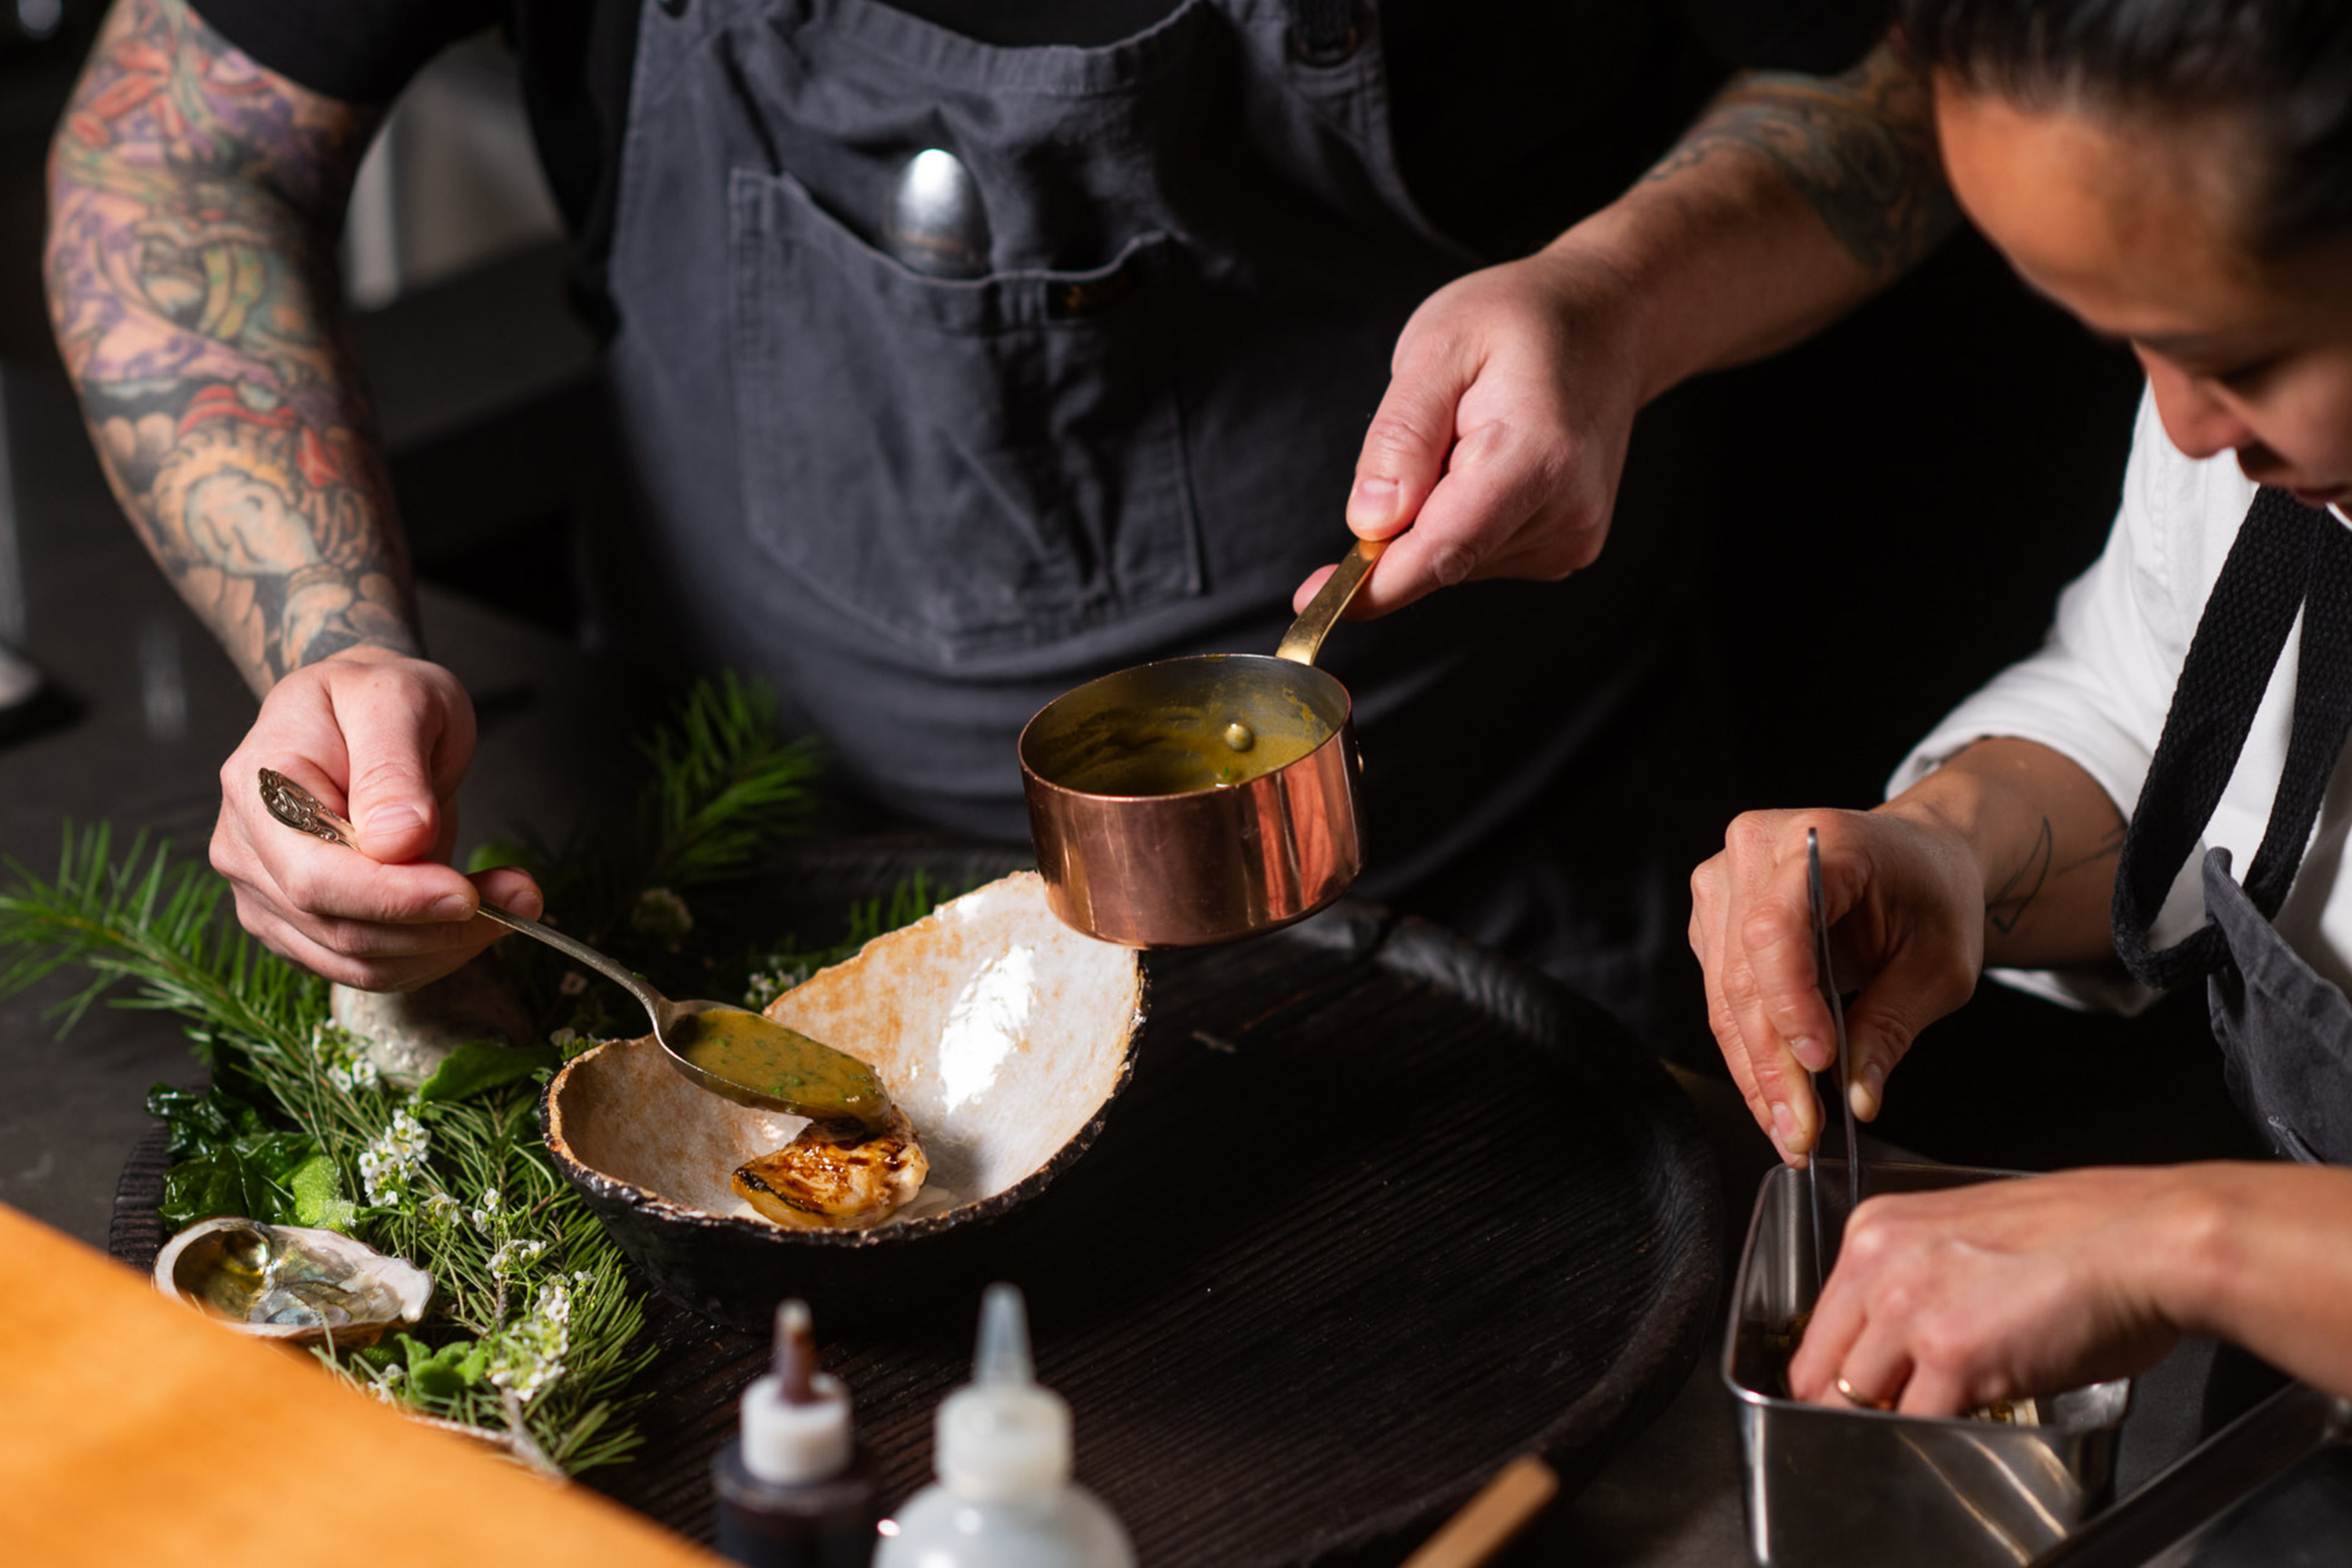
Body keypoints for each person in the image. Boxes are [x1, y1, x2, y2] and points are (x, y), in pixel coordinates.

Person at [46, 0, 1948, 1030]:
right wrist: (327, 639)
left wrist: (1616, 301)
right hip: (739, 933)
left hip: (1484, 931)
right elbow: (179, 145)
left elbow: (1901, 70)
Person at [1690, 0, 2352, 1422]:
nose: (2182, 430)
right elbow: (2150, 705)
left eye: (2231, 352)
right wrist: (1948, 849)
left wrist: (2183, 1244)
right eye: (2129, 345)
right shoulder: (2258, 438)